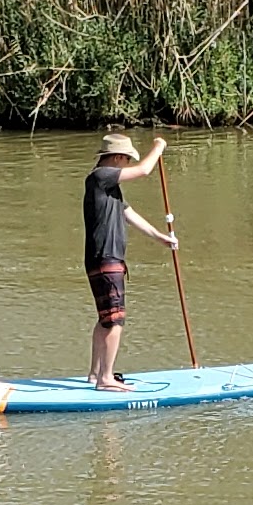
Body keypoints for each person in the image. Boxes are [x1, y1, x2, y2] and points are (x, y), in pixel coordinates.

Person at [83, 132, 177, 388]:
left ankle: (95, 373)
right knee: (115, 320)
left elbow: (128, 213)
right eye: (126, 159)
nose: (127, 164)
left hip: (102, 258)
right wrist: (158, 146)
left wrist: (159, 237)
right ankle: (106, 378)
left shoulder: (108, 187)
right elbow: (145, 170)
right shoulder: (101, 176)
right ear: (116, 157)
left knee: (105, 318)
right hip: (106, 258)